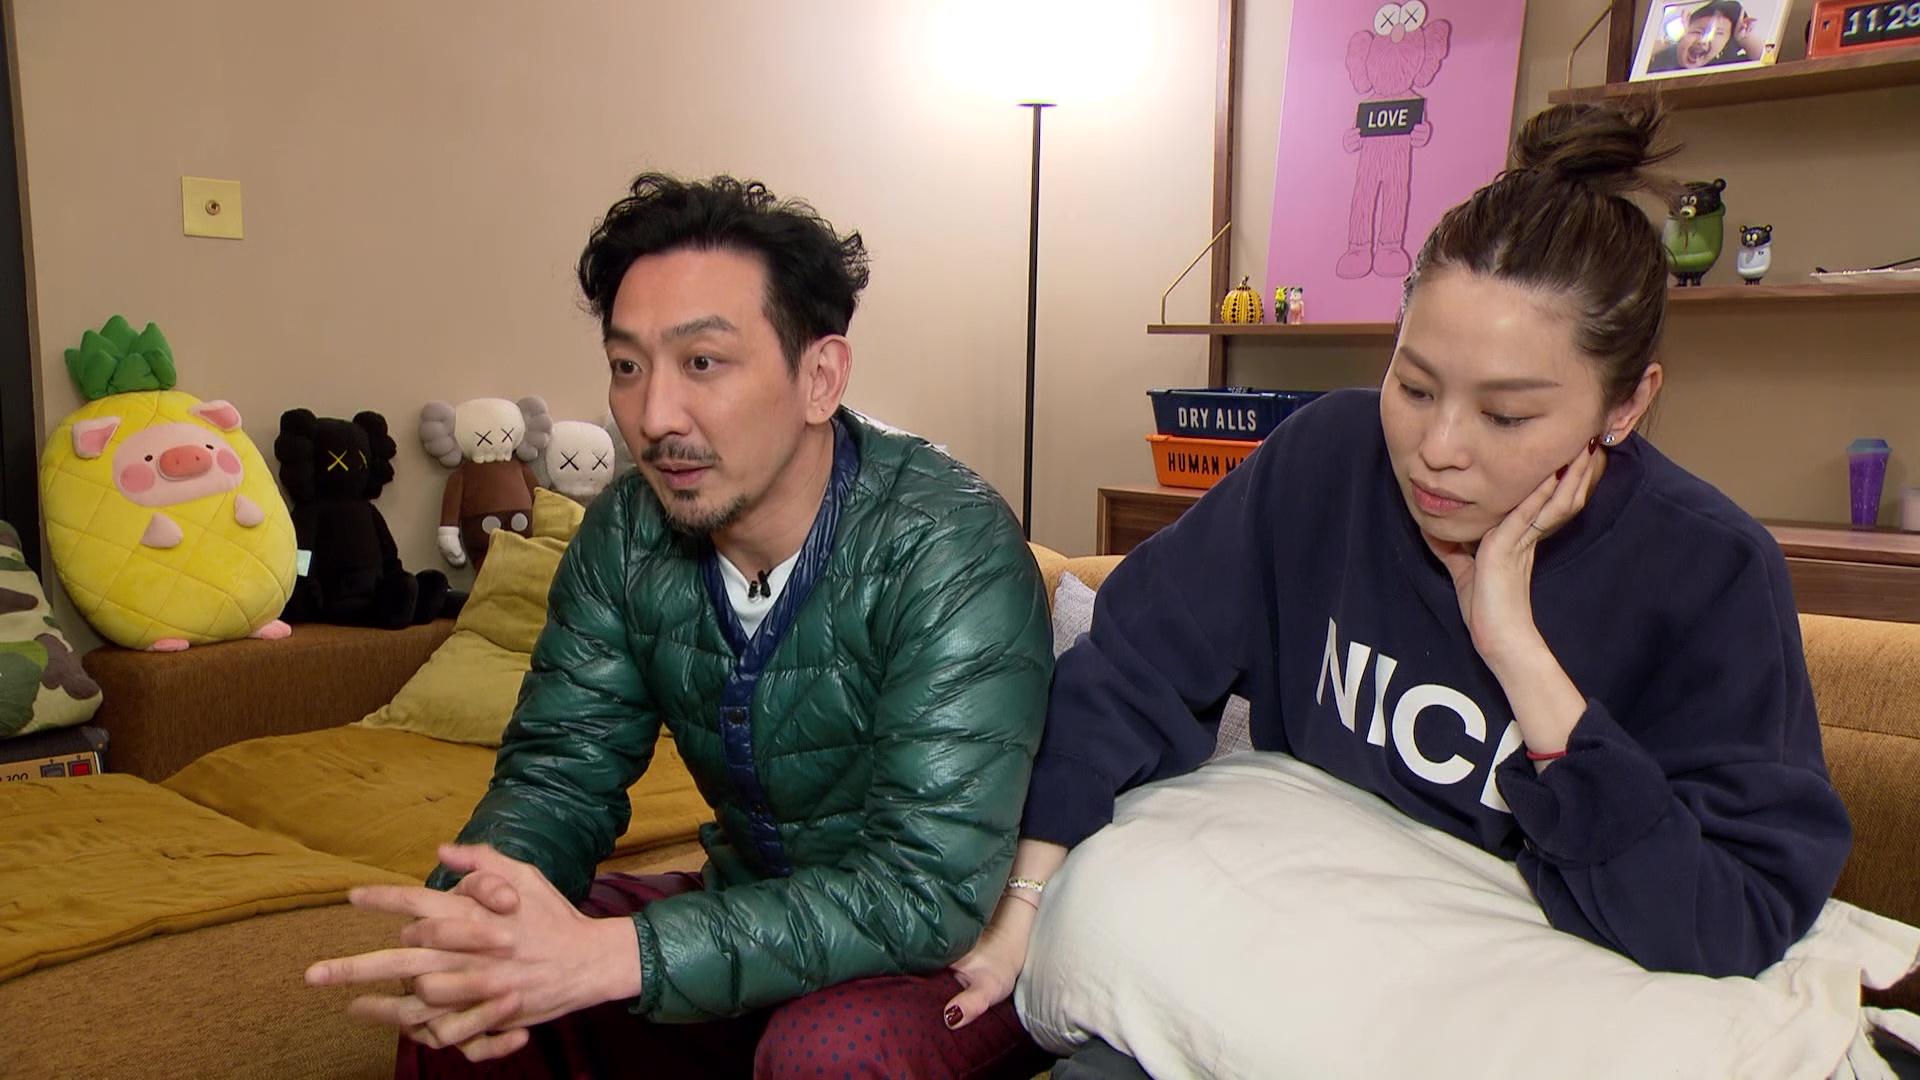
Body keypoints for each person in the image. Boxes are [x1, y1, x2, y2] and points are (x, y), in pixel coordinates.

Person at [943, 101, 1855, 1071]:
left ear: (1626, 405)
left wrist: (1516, 651)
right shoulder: (1329, 459)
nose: (1438, 448)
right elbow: (1131, 668)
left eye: (1507, 416)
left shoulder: (1710, 571)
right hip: (1282, 966)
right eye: (1414, 386)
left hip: (1503, 1016)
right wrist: (1025, 904)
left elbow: (1727, 913)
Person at [305, 173, 1056, 1078]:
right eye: (628, 367)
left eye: (703, 362)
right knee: (481, 991)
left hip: (961, 948)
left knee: (825, 1057)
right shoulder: (625, 535)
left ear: (820, 377)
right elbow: (559, 776)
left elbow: (923, 889)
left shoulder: (947, 542)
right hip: (754, 910)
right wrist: (479, 918)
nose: (654, 417)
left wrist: (619, 955)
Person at [1648, 0, 1770, 72]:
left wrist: (1745, 39)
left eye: (1718, 33)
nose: (1703, 41)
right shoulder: (1664, 59)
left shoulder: (1726, 65)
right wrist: (1672, 39)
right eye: (1697, 32)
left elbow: (1767, 59)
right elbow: (1642, 58)